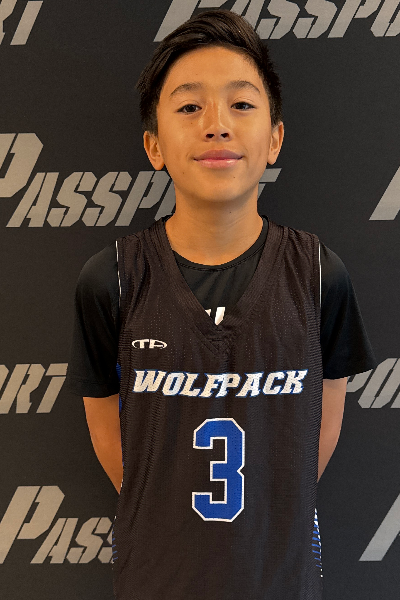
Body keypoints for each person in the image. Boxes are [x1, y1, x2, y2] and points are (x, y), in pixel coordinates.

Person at [64, 9, 377, 600]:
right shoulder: (112, 279)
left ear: (274, 138)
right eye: (189, 107)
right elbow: (110, 435)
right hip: (157, 580)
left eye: (241, 104)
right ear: (154, 145)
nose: (216, 125)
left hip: (280, 579)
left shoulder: (319, 275)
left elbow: (322, 425)